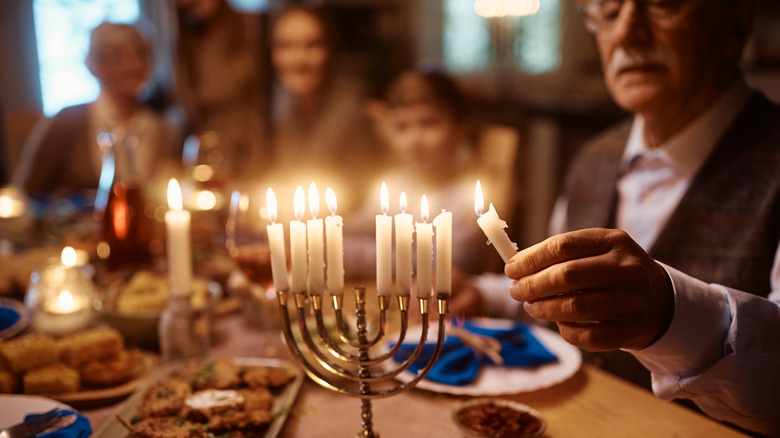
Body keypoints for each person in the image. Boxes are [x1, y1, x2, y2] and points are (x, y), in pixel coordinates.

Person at [460, 0, 780, 435]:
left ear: (735, 24)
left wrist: (670, 315)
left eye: (662, 5)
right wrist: (481, 295)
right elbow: (569, 294)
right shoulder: (594, 156)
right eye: (610, 12)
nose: (627, 33)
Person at [343, 68, 486, 280]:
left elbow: (441, 262)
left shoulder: (470, 198)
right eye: (402, 127)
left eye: (429, 123)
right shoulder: (391, 184)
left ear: (461, 129)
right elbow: (350, 230)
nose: (414, 140)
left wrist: (353, 255)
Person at [13, 21, 177, 196]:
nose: (133, 65)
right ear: (95, 64)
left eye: (141, 54)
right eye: (117, 57)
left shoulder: (162, 128)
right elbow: (25, 191)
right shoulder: (66, 121)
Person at [264, 5, 380, 219]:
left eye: (312, 45)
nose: (298, 59)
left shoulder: (352, 112)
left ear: (330, 51)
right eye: (285, 46)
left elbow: (360, 207)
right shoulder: (288, 113)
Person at [172, 0, 269, 181]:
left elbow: (267, 95)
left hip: (253, 145)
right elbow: (189, 109)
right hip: (208, 150)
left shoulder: (251, 26)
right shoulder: (186, 39)